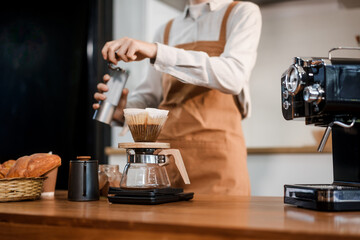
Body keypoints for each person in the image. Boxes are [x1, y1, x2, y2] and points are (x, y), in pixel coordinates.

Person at [93, 0, 262, 195]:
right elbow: (151, 96)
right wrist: (124, 111)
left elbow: (233, 77)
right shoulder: (165, 30)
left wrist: (158, 51)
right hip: (167, 161)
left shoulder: (242, 12)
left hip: (220, 161)